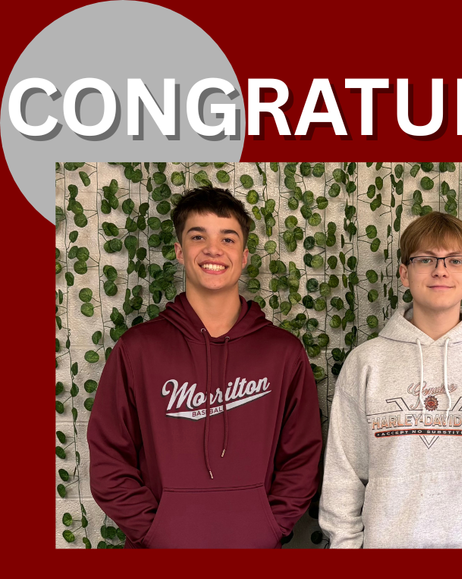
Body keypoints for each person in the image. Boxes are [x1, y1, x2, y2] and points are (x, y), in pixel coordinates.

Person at [88, 187, 322, 548]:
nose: (213, 249)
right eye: (198, 236)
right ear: (180, 251)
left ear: (244, 256)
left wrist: (269, 526)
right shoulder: (138, 349)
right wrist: (155, 531)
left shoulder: (282, 352)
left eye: (227, 238)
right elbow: (109, 457)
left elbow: (302, 456)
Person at [319, 211, 462, 548]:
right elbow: (344, 472)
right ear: (404, 273)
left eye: (454, 260)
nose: (440, 270)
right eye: (426, 259)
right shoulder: (366, 362)